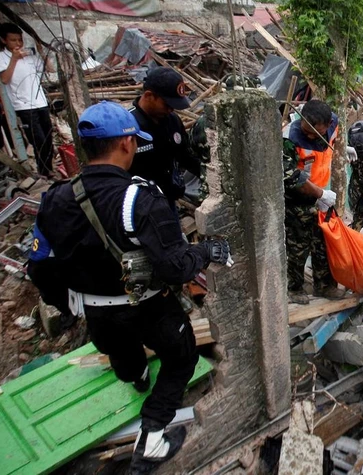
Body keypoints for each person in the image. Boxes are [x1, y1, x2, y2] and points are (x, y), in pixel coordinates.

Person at [26, 101, 230, 474]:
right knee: (181, 357)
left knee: (123, 356)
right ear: (125, 144)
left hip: (97, 312)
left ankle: (137, 378)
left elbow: (38, 267)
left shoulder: (55, 199)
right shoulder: (139, 199)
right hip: (148, 306)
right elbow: (175, 267)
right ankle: (152, 434)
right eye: (134, 141)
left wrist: (68, 306)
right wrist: (205, 251)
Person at [283, 99, 342, 304]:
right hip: (296, 199)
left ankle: (324, 285)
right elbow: (291, 177)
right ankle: (295, 288)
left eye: (313, 132)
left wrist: (346, 148)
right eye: (305, 130)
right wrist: (320, 194)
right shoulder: (289, 138)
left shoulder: (334, 124)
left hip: (320, 194)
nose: (308, 135)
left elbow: (331, 147)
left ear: (326, 125)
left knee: (323, 242)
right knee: (298, 245)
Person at [128, 67, 202, 208]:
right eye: (167, 105)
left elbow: (186, 157)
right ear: (149, 96)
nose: (171, 110)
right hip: (141, 206)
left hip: (169, 200)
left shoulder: (172, 121)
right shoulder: (128, 127)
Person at [0, 24, 55, 177]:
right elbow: (5, 79)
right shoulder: (1, 57)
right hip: (23, 105)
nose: (18, 44)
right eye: (13, 40)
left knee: (48, 138)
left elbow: (50, 69)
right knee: (38, 140)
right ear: (3, 40)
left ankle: (48, 169)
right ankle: (45, 172)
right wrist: (14, 59)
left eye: (19, 40)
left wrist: (41, 53)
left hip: (40, 102)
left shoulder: (29, 55)